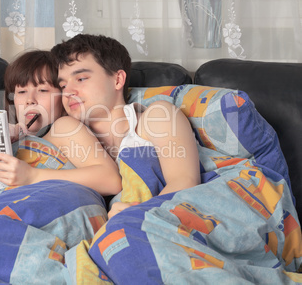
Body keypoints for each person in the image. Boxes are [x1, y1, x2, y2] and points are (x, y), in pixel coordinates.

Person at [51, 34, 200, 217]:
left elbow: (185, 181)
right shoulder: (64, 135)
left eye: (81, 78)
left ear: (118, 80)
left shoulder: (156, 117)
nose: (68, 92)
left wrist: (137, 214)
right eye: (63, 85)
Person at [0, 50, 122, 196]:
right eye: (21, 91)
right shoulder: (13, 136)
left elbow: (111, 180)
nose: (30, 100)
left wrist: (32, 176)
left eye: (43, 90)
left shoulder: (64, 127)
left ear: (64, 97)